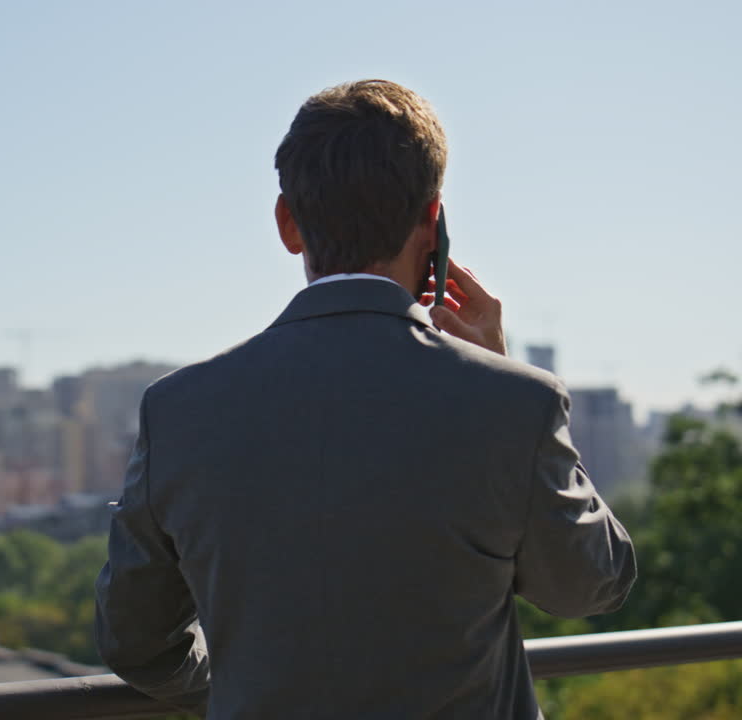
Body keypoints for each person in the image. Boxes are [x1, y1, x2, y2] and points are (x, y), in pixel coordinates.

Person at [93, 79, 637, 719]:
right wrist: (499, 372)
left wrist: (244, 691)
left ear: (287, 224)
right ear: (433, 224)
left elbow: (136, 641)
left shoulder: (177, 410)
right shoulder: (513, 402)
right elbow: (588, 585)